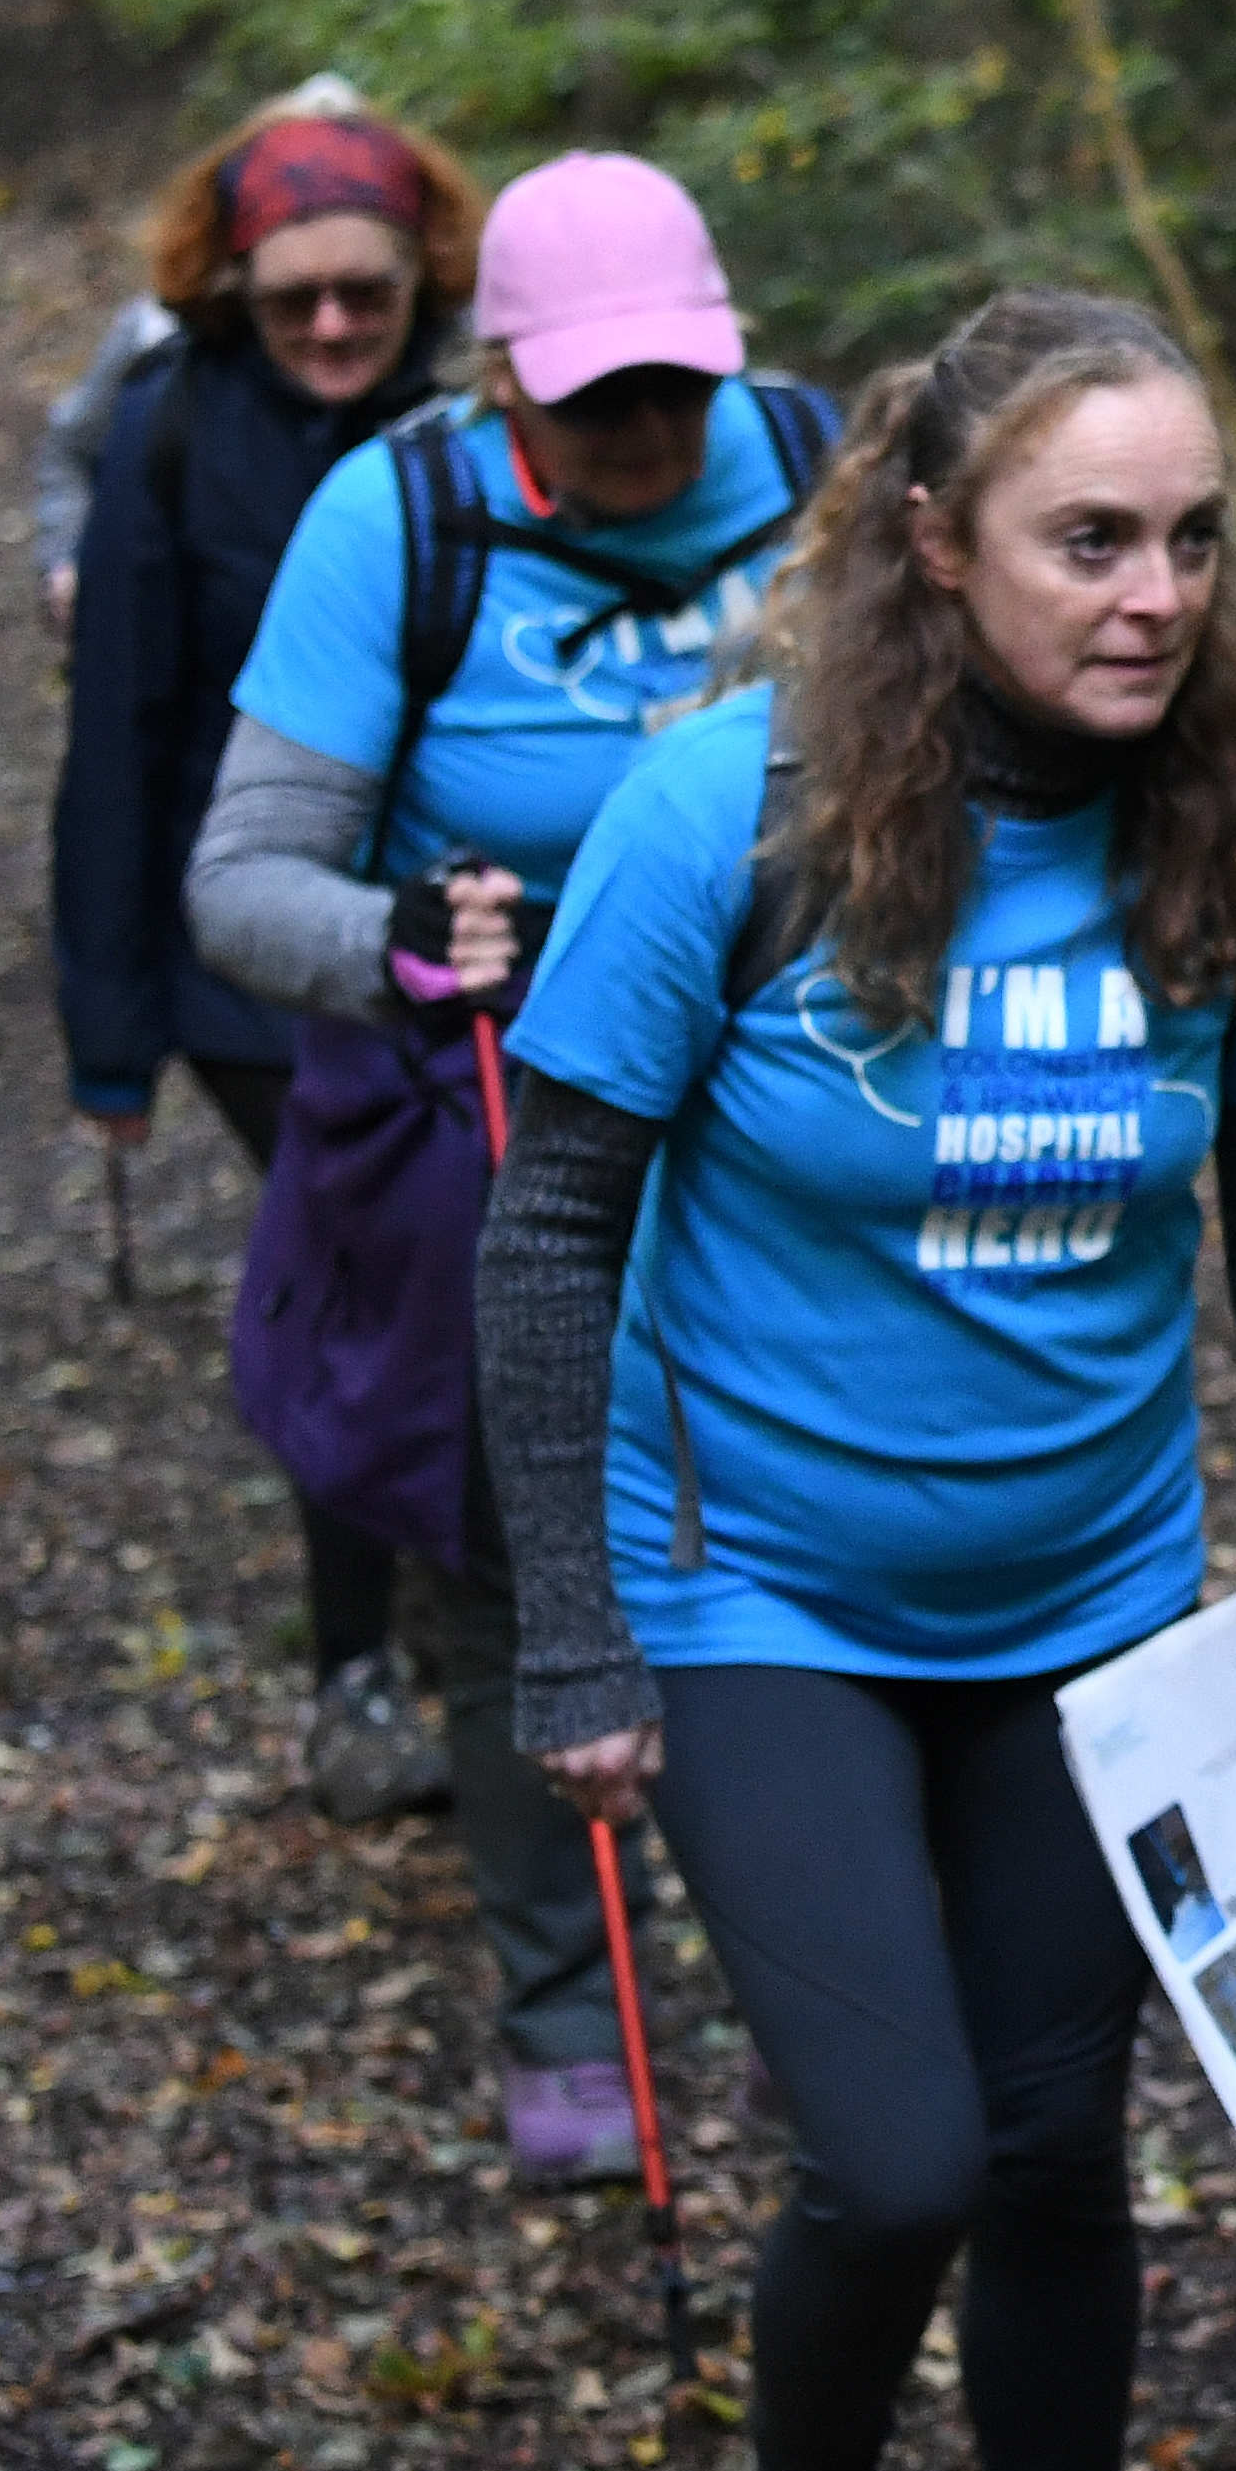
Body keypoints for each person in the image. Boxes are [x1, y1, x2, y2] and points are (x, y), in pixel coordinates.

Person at [474, 289, 1236, 2471]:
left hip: (1091, 1600)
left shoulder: (1235, 812)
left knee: (1055, 2145)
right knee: (894, 2160)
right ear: (933, 544)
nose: (1154, 595)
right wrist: (573, 1625)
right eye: (1088, 540)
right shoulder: (728, 813)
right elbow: (549, 1231)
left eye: (1191, 539)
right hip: (758, 1583)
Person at [179, 154, 835, 2176]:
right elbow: (240, 877)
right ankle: (565, 1994)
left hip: (789, 1086)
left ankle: (811, 1967)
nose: (644, 429)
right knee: (514, 1543)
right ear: (503, 380)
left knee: (784, 1523)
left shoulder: (819, 465)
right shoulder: (398, 517)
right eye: (593, 394)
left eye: (674, 386)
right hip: (502, 1093)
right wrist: (395, 936)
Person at [54, 99, 479, 1821]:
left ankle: (475, 1583)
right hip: (248, 961)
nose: (331, 325)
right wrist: (107, 1033)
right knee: (370, 1262)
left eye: (365, 292)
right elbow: (117, 733)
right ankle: (357, 1664)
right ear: (232, 283)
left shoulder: (484, 424)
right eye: (295, 295)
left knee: (477, 1263)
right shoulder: (171, 432)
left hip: (467, 935)